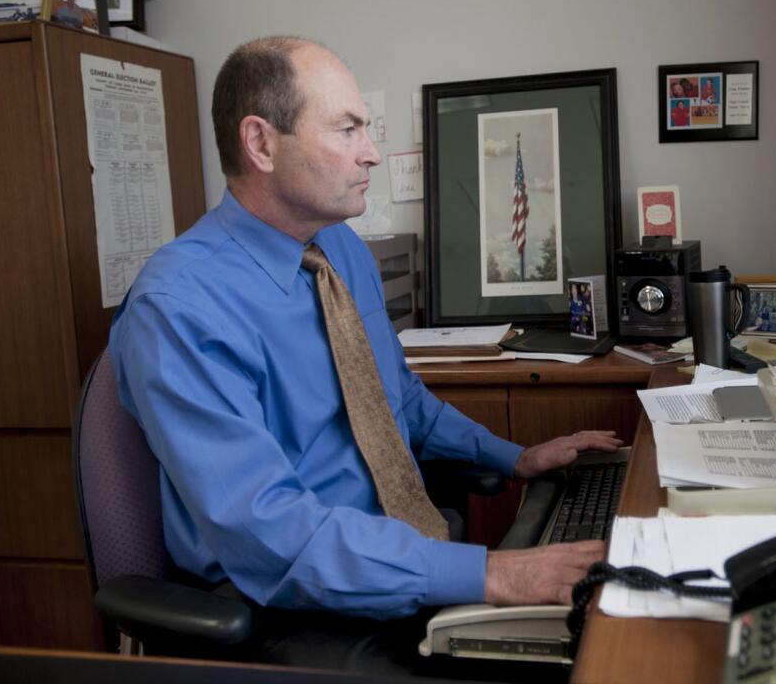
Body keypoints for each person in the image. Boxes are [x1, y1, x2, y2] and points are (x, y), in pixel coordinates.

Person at [109, 36, 621, 674]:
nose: (372, 153)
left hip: (388, 559)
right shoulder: (179, 305)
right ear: (261, 143)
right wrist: (494, 575)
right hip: (284, 606)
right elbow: (269, 534)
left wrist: (515, 458)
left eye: (367, 130)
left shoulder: (341, 250)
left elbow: (398, 400)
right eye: (347, 129)